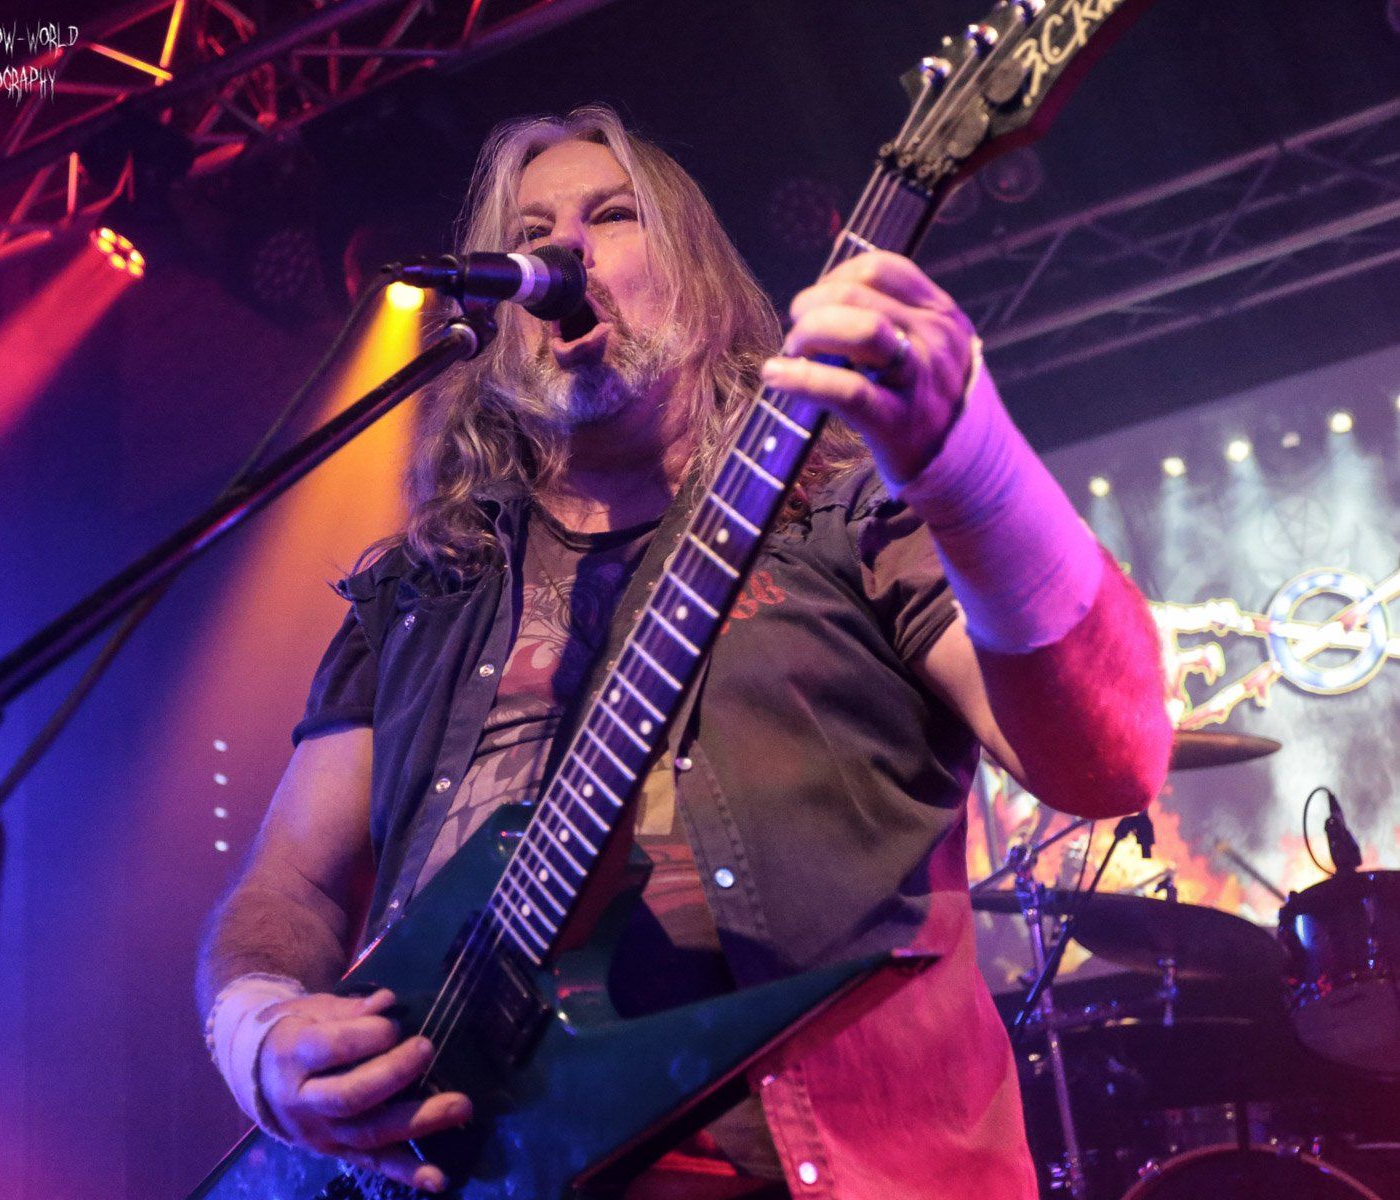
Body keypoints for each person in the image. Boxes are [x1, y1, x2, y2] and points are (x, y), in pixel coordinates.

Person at [197, 105, 1171, 1199]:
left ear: (701, 274)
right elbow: (290, 886)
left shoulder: (849, 521)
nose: (561, 253)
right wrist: (259, 1033)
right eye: (529, 234)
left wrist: (969, 463)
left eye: (612, 216)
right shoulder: (424, 587)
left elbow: (1113, 764)